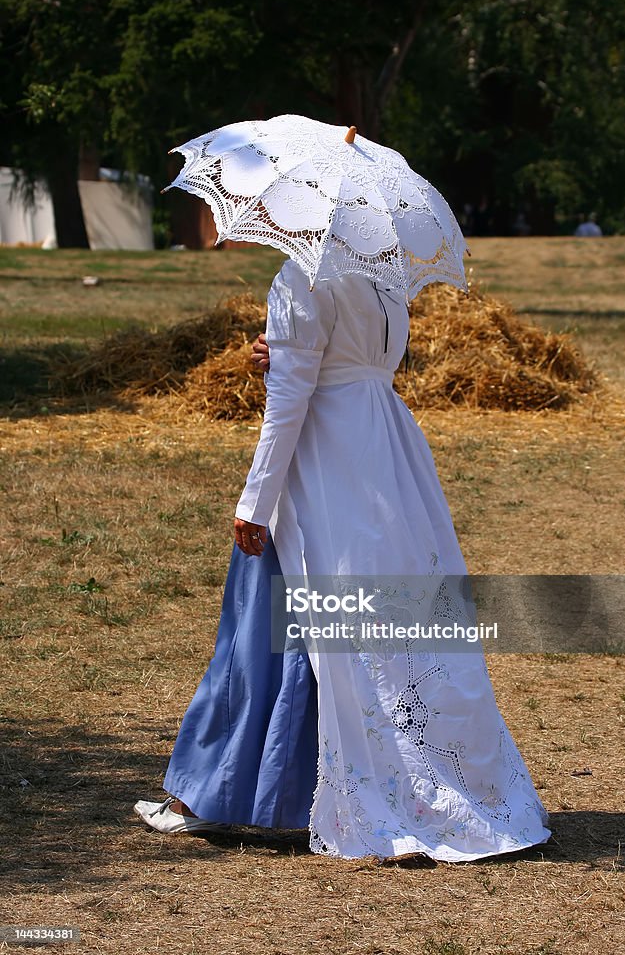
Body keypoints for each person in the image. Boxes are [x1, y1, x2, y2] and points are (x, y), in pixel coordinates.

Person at [135, 258, 551, 861]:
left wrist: (257, 498)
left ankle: (212, 795)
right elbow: (348, 366)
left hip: (324, 464)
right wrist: (282, 353)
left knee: (271, 623)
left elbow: (291, 398)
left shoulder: (300, 277)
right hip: (388, 453)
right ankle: (313, 789)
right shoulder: (386, 280)